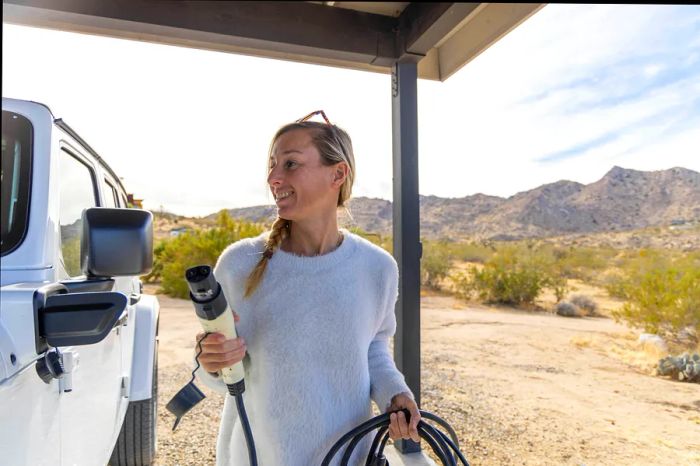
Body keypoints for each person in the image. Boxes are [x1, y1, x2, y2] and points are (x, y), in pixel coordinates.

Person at [193, 110, 420, 465]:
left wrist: (395, 393)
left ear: (338, 173)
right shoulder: (239, 265)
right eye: (272, 165)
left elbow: (373, 346)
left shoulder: (377, 268)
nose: (273, 177)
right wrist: (211, 360)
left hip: (348, 457)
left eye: (290, 163)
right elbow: (225, 372)